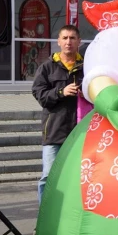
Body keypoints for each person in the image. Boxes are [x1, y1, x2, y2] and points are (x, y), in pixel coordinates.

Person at [32, 25, 84, 205]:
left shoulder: (87, 66)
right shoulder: (47, 67)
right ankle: (43, 221)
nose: (68, 42)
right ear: (58, 42)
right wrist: (61, 92)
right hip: (54, 132)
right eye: (65, 38)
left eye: (72, 38)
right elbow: (40, 96)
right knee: (48, 177)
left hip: (80, 134)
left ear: (79, 41)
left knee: (77, 178)